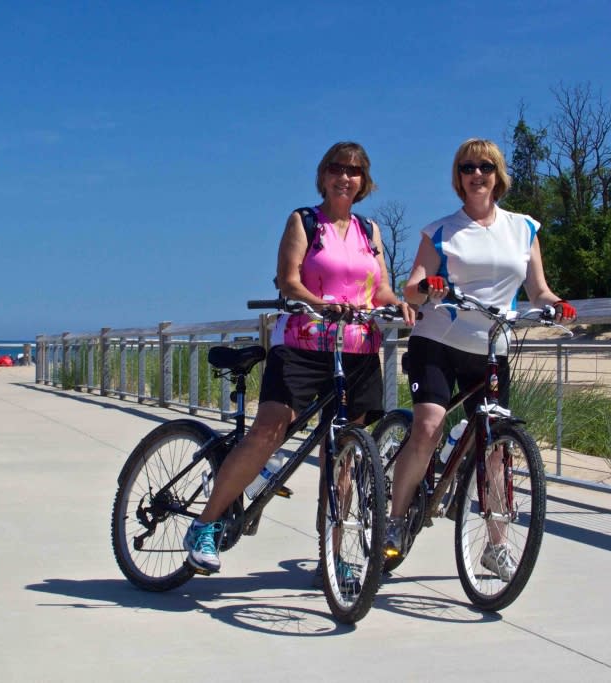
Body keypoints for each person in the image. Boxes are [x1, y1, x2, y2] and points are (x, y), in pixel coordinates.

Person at [183, 141, 415, 574]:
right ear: (324, 176)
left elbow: (377, 289)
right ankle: (206, 525)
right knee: (270, 430)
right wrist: (322, 303)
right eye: (337, 169)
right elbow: (288, 282)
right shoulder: (304, 221)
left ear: (364, 181)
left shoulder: (370, 231)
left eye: (355, 171)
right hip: (303, 345)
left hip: (358, 349)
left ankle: (334, 553)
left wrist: (396, 303)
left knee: (344, 456)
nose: (345, 177)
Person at [384, 138, 576, 580]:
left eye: (486, 167)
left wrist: (555, 304)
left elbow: (538, 289)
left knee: (496, 450)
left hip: (492, 344)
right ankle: (395, 521)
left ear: (498, 175)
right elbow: (411, 286)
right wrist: (426, 288)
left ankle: (495, 545)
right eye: (468, 167)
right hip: (438, 339)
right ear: (458, 176)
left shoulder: (524, 228)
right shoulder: (441, 231)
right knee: (429, 425)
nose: (477, 174)